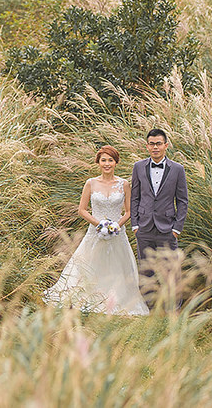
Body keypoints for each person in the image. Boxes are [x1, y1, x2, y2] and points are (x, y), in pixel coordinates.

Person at [43, 145, 149, 316]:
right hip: (95, 232)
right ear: (98, 163)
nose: (107, 164)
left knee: (117, 269)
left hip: (117, 234)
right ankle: (86, 298)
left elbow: (129, 212)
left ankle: (116, 301)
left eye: (111, 160)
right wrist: (99, 224)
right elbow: (82, 210)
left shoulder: (124, 184)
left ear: (116, 163)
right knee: (88, 266)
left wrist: (116, 225)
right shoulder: (90, 183)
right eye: (103, 160)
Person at [130, 128, 188, 307]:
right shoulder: (138, 167)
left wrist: (176, 229)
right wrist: (135, 225)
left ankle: (174, 309)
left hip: (167, 229)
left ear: (166, 145)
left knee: (171, 272)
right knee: (146, 271)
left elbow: (183, 200)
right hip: (144, 228)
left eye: (159, 144)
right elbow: (135, 197)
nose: (155, 147)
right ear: (147, 146)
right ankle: (149, 308)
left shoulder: (177, 169)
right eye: (152, 144)